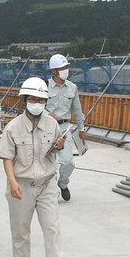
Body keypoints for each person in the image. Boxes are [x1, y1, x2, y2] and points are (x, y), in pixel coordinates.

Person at [0, 77, 75, 257]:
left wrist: (58, 146)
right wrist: (12, 183)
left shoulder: (52, 124)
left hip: (47, 184)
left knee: (52, 227)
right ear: (25, 100)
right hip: (21, 184)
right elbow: (7, 158)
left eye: (40, 100)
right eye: (32, 99)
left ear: (45, 101)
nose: (36, 103)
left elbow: (53, 150)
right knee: (21, 229)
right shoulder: (13, 127)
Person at [46, 54, 86, 202]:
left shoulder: (72, 88)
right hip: (46, 129)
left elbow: (77, 110)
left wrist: (81, 129)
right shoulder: (44, 86)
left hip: (64, 129)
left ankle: (63, 184)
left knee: (68, 162)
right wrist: (46, 114)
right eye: (62, 68)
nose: (65, 70)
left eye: (66, 67)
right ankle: (51, 189)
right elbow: (36, 104)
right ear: (54, 71)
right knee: (48, 162)